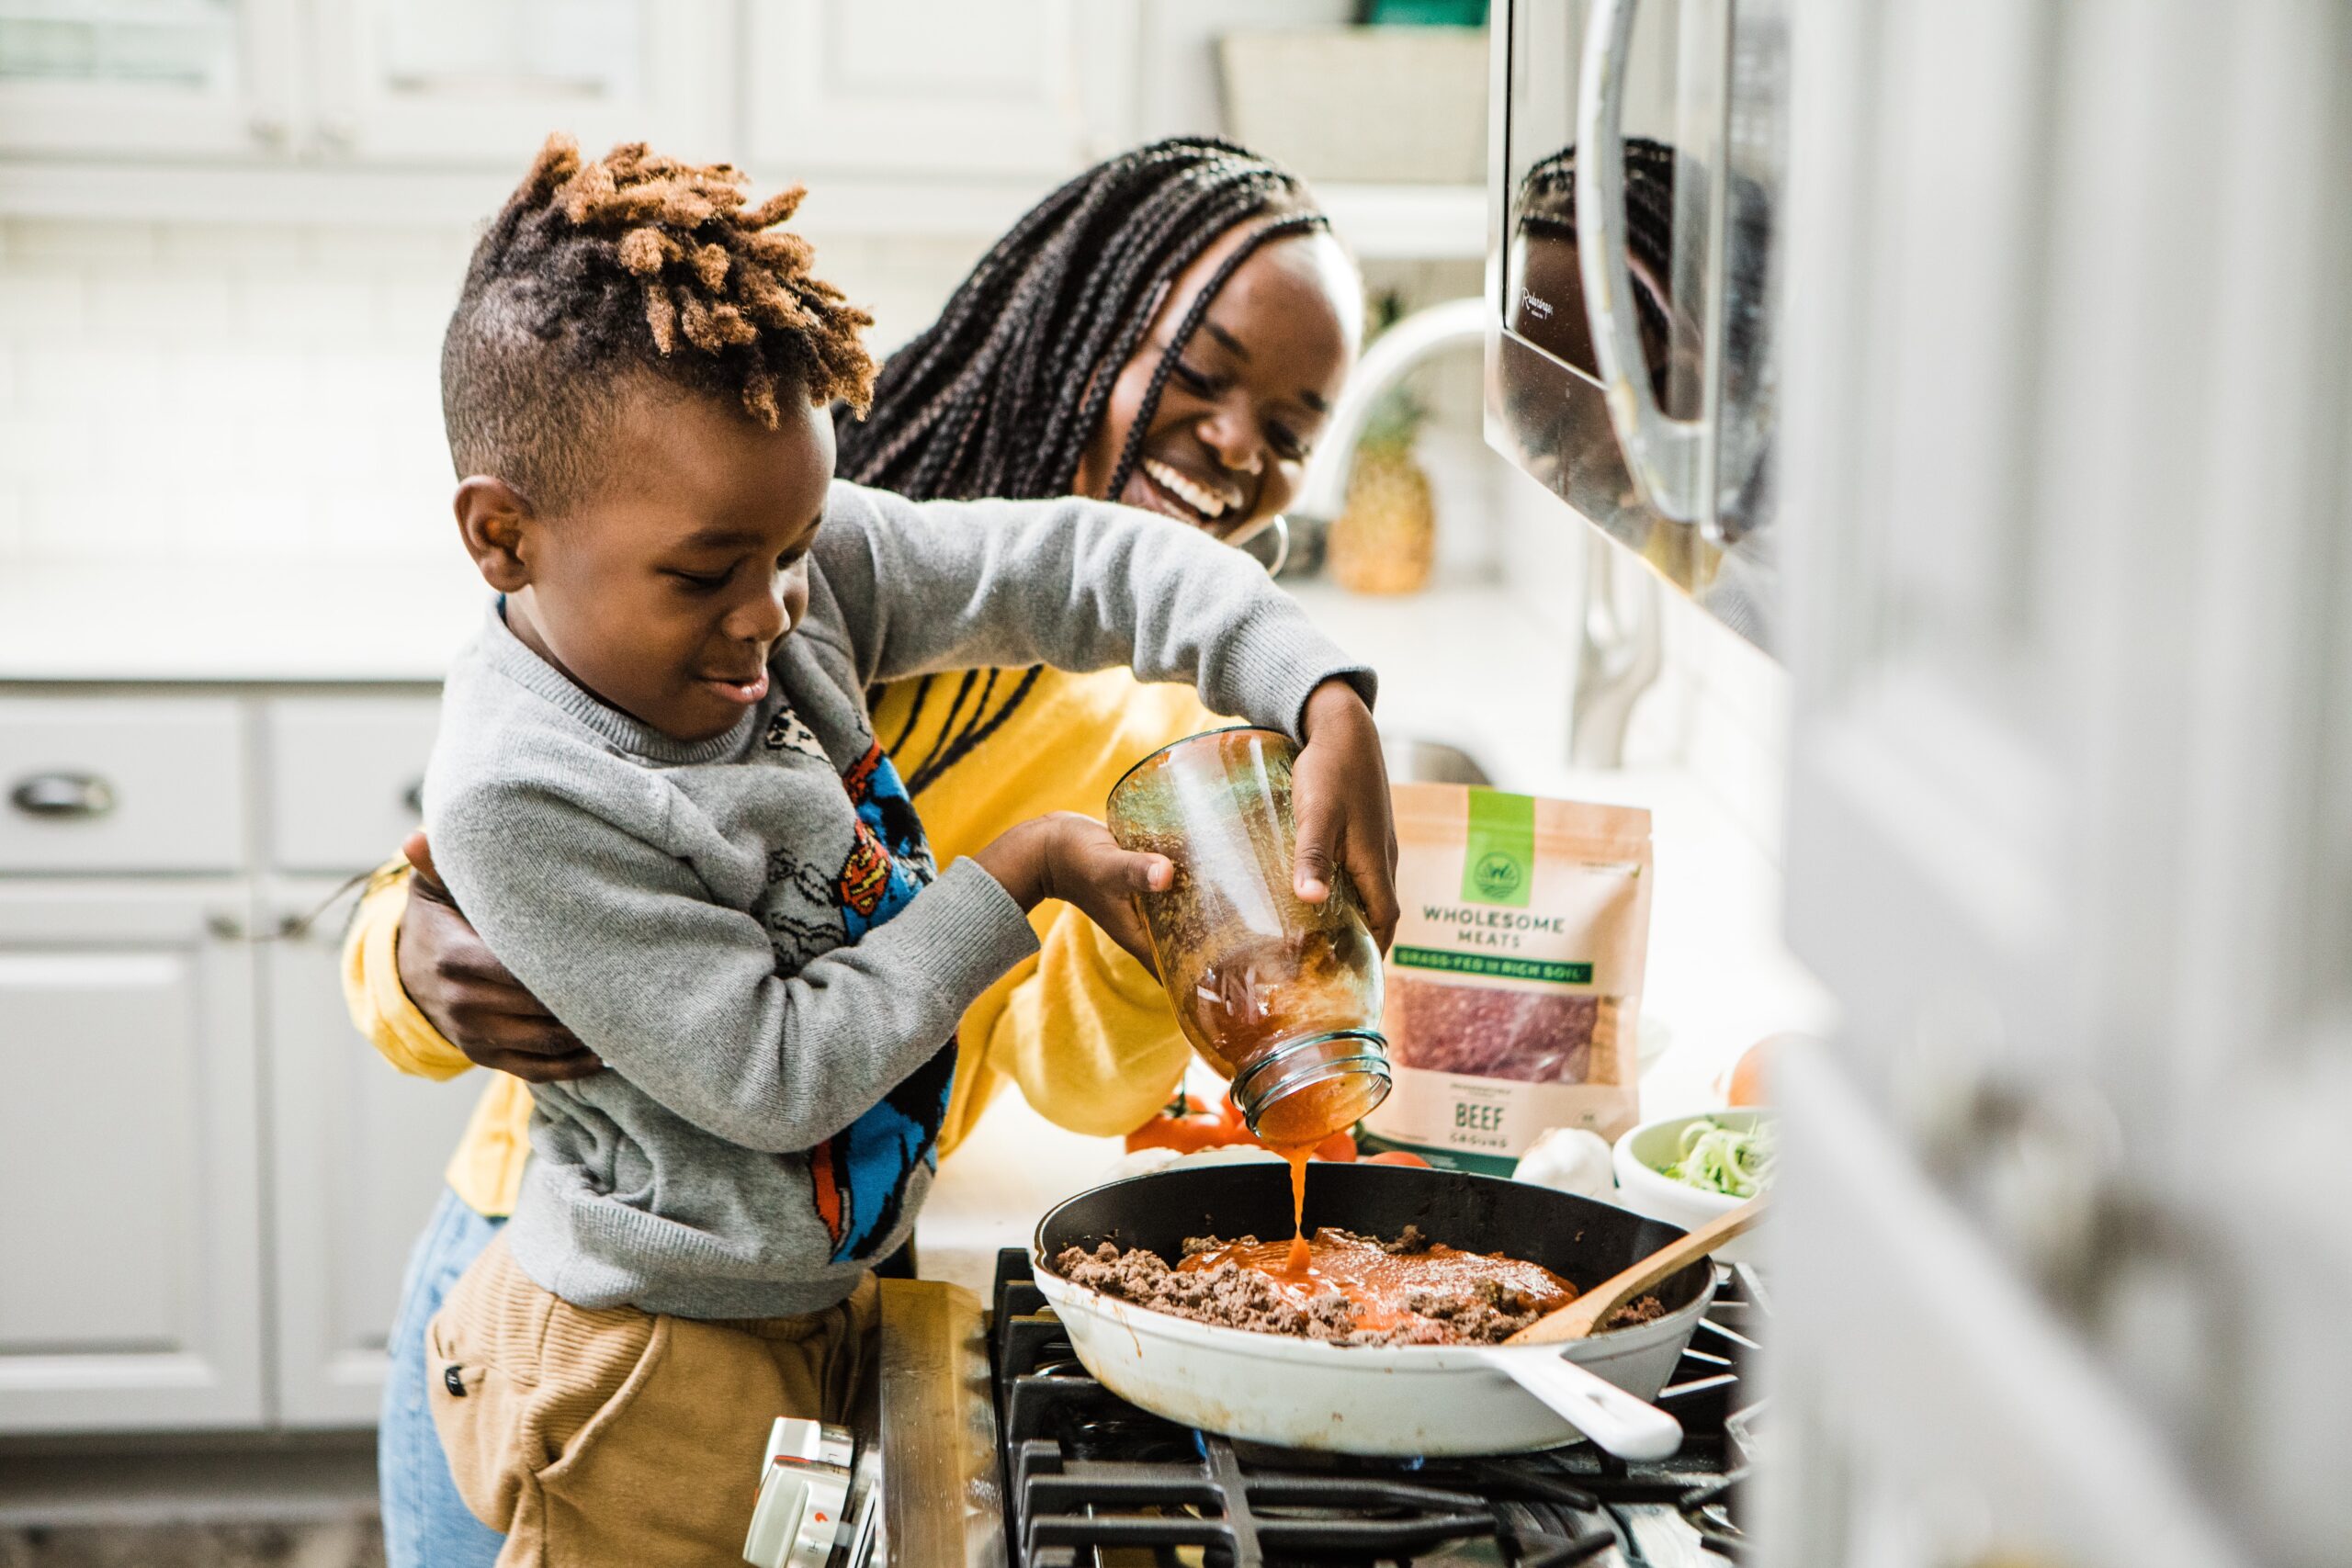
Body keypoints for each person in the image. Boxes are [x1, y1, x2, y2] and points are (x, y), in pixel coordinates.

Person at [345, 137, 1366, 1566]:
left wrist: (1308, 688)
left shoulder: (794, 549)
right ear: (1066, 320)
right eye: (1199, 379)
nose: (1240, 443)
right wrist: (402, 955)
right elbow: (748, 1053)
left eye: (1295, 425)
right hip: (618, 1334)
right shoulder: (707, 502)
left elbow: (1087, 1072)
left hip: (822, 1288)